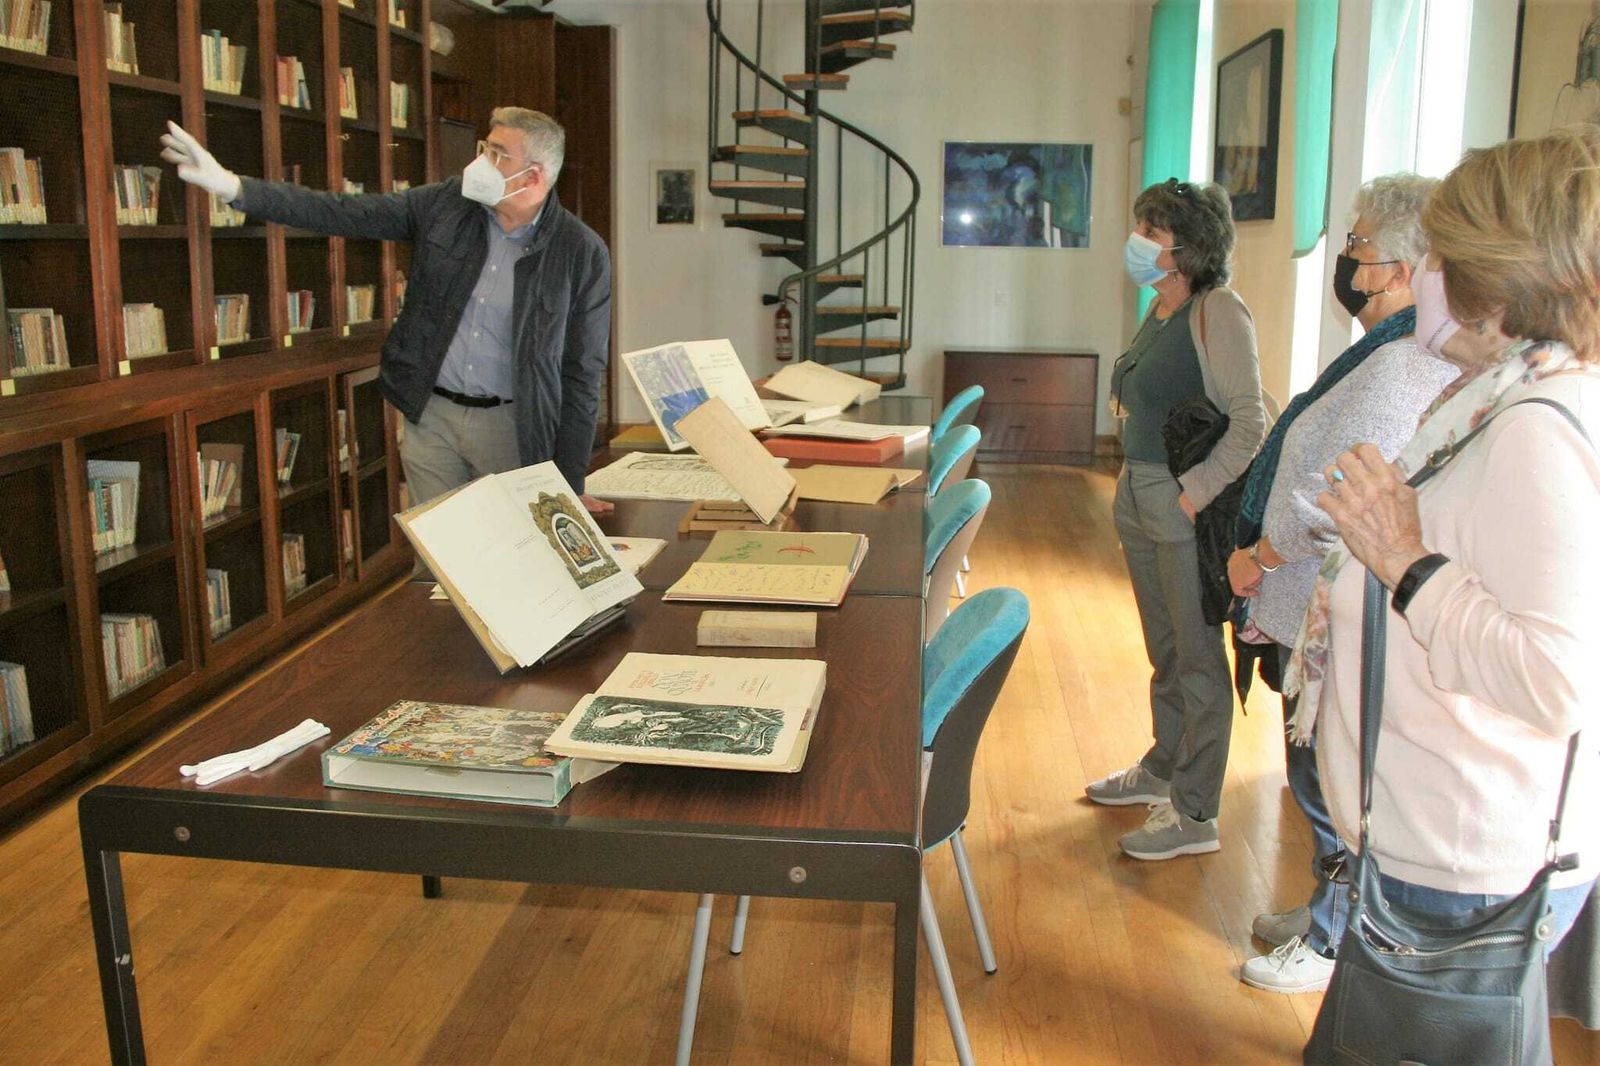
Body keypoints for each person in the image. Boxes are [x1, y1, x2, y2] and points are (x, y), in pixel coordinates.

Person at [1295, 127, 1600, 969]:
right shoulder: (1495, 397)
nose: (1420, 272)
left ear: (1492, 278)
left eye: (1438, 253)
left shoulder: (1539, 430)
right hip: (1426, 849)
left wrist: (1402, 561)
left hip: (1464, 869)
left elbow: (1554, 680)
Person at [1224, 175, 1460, 993]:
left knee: (1328, 778)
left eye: (1357, 245)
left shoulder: (1402, 366)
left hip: (1325, 588)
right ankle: (1329, 906)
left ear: (1403, 267)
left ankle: (1334, 938)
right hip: (1307, 593)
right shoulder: (1388, 349)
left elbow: (1340, 489)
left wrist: (1263, 555)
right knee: (1311, 763)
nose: (1347, 257)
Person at [158, 109, 614, 512]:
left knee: (515, 558)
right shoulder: (444, 204)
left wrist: (570, 482)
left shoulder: (581, 253)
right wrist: (234, 187)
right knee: (437, 564)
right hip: (430, 413)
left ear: (533, 177)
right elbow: (342, 211)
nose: (479, 163)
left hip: (513, 425)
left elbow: (582, 372)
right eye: (484, 148)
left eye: (497, 154)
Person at [1087, 178, 1265, 860]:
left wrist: (1193, 493)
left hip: (1179, 499)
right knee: (1164, 648)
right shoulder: (1160, 308)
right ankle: (1163, 767)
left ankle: (1196, 813)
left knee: (1196, 658)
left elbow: (1251, 421)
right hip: (1139, 491)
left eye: (1151, 232)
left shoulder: (1219, 311)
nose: (1137, 242)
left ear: (1187, 248)